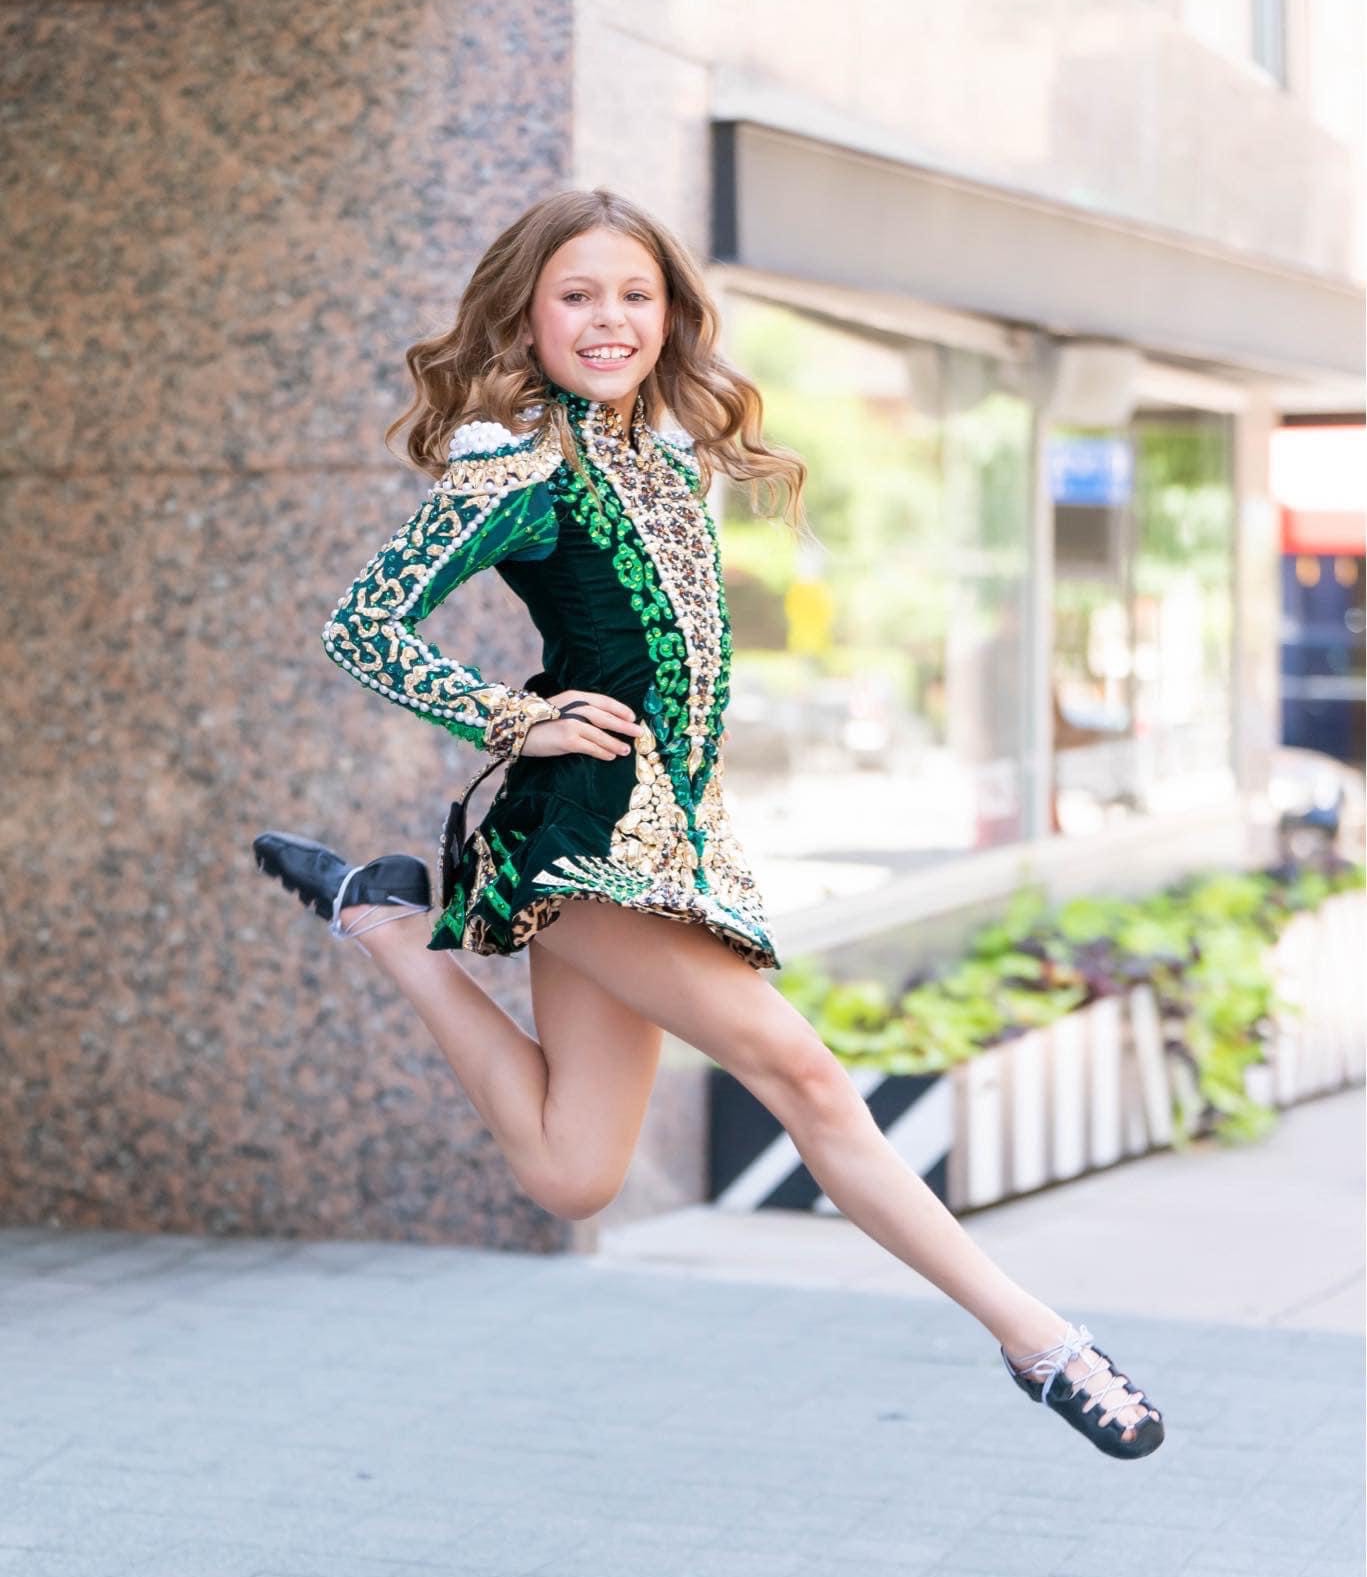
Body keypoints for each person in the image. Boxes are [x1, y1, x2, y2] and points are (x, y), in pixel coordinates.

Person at [253, 188, 1164, 1461]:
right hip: (582, 835)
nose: (609, 318)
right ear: (528, 311)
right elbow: (364, 623)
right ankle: (1042, 1339)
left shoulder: (666, 458)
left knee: (574, 1172)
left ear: (671, 309)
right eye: (577, 294)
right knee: (801, 1075)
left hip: (670, 839)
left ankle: (393, 924)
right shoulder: (518, 463)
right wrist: (512, 719)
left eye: (635, 293)